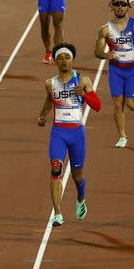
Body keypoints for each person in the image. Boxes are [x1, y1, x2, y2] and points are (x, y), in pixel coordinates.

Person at [37, 43, 101, 227]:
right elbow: (50, 100)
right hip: (58, 132)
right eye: (60, 58)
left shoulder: (83, 81)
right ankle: (57, 213)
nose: (64, 61)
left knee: (77, 176)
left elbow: (98, 106)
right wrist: (42, 116)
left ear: (72, 60)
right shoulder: (50, 83)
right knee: (56, 169)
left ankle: (81, 197)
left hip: (77, 134)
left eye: (67, 57)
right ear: (56, 61)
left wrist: (85, 96)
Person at [94, 0, 134, 148]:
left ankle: (133, 90)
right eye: (117, 4)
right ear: (112, 7)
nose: (120, 7)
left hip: (132, 70)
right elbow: (97, 51)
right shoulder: (105, 30)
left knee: (132, 105)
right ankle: (122, 136)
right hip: (115, 71)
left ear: (128, 7)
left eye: (123, 4)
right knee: (117, 103)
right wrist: (106, 55)